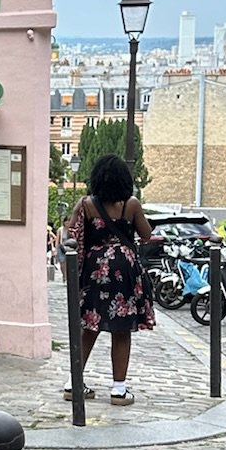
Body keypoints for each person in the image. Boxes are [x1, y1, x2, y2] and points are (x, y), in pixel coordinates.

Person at [62, 154, 154, 405]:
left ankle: (73, 383)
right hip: (123, 269)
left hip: (94, 269)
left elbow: (72, 232)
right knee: (122, 330)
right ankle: (119, 389)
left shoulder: (86, 204)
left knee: (89, 326)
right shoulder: (131, 204)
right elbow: (146, 235)